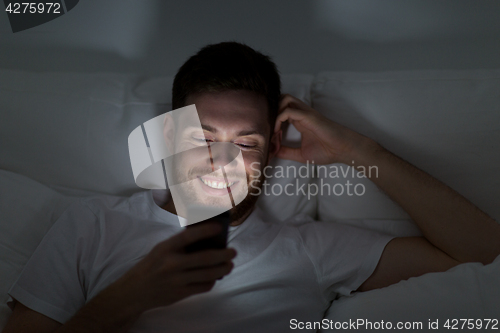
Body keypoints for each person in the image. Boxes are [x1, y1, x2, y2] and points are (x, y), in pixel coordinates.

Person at [3, 42, 500, 333]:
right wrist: (130, 298)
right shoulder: (92, 224)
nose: (222, 162)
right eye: (203, 138)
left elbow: (486, 253)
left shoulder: (310, 248)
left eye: (246, 142)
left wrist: (361, 153)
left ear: (272, 147)